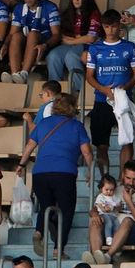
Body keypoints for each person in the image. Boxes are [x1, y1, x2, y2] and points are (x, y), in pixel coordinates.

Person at [19, 93, 94, 257]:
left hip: (40, 173)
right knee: (66, 210)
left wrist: (21, 164)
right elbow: (87, 152)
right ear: (72, 107)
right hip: (64, 173)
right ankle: (57, 250)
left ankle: (38, 232)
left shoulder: (43, 123)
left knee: (47, 207)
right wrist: (91, 169)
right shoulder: (76, 126)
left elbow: (30, 146)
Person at [84, 10, 135, 171]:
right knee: (101, 144)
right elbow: (89, 76)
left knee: (127, 139)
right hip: (102, 101)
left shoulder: (129, 47)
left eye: (114, 26)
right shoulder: (95, 49)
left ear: (119, 25)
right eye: (107, 26)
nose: (110, 30)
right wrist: (104, 90)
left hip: (124, 99)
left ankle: (124, 179)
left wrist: (125, 87)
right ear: (103, 26)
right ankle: (105, 181)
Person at [86, 161, 135, 265]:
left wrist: (129, 201)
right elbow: (95, 208)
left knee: (127, 220)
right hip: (114, 230)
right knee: (95, 220)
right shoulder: (114, 189)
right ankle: (97, 257)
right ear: (122, 175)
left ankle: (108, 256)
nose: (131, 183)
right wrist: (94, 214)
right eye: (128, 178)